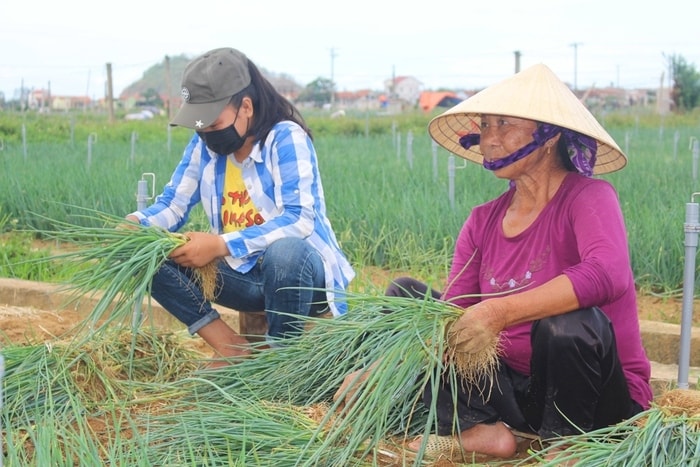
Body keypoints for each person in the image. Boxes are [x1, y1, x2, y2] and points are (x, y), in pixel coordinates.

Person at [335, 63, 652, 459]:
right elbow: (454, 315)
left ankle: (566, 446)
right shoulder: (482, 220)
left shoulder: (589, 197)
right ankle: (488, 431)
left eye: (504, 123)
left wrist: (499, 312)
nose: (490, 138)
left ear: (548, 135)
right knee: (408, 297)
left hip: (594, 397)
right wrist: (383, 367)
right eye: (485, 125)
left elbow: (608, 273)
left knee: (568, 323)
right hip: (509, 391)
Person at [126, 47, 354, 367]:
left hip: (300, 278)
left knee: (285, 251)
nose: (206, 134)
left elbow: (299, 219)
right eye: (199, 127)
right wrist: (136, 224)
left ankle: (281, 360)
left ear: (245, 107)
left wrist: (220, 244)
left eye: (213, 123)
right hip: (245, 277)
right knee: (146, 250)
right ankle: (230, 345)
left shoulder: (285, 137)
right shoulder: (203, 146)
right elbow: (173, 205)